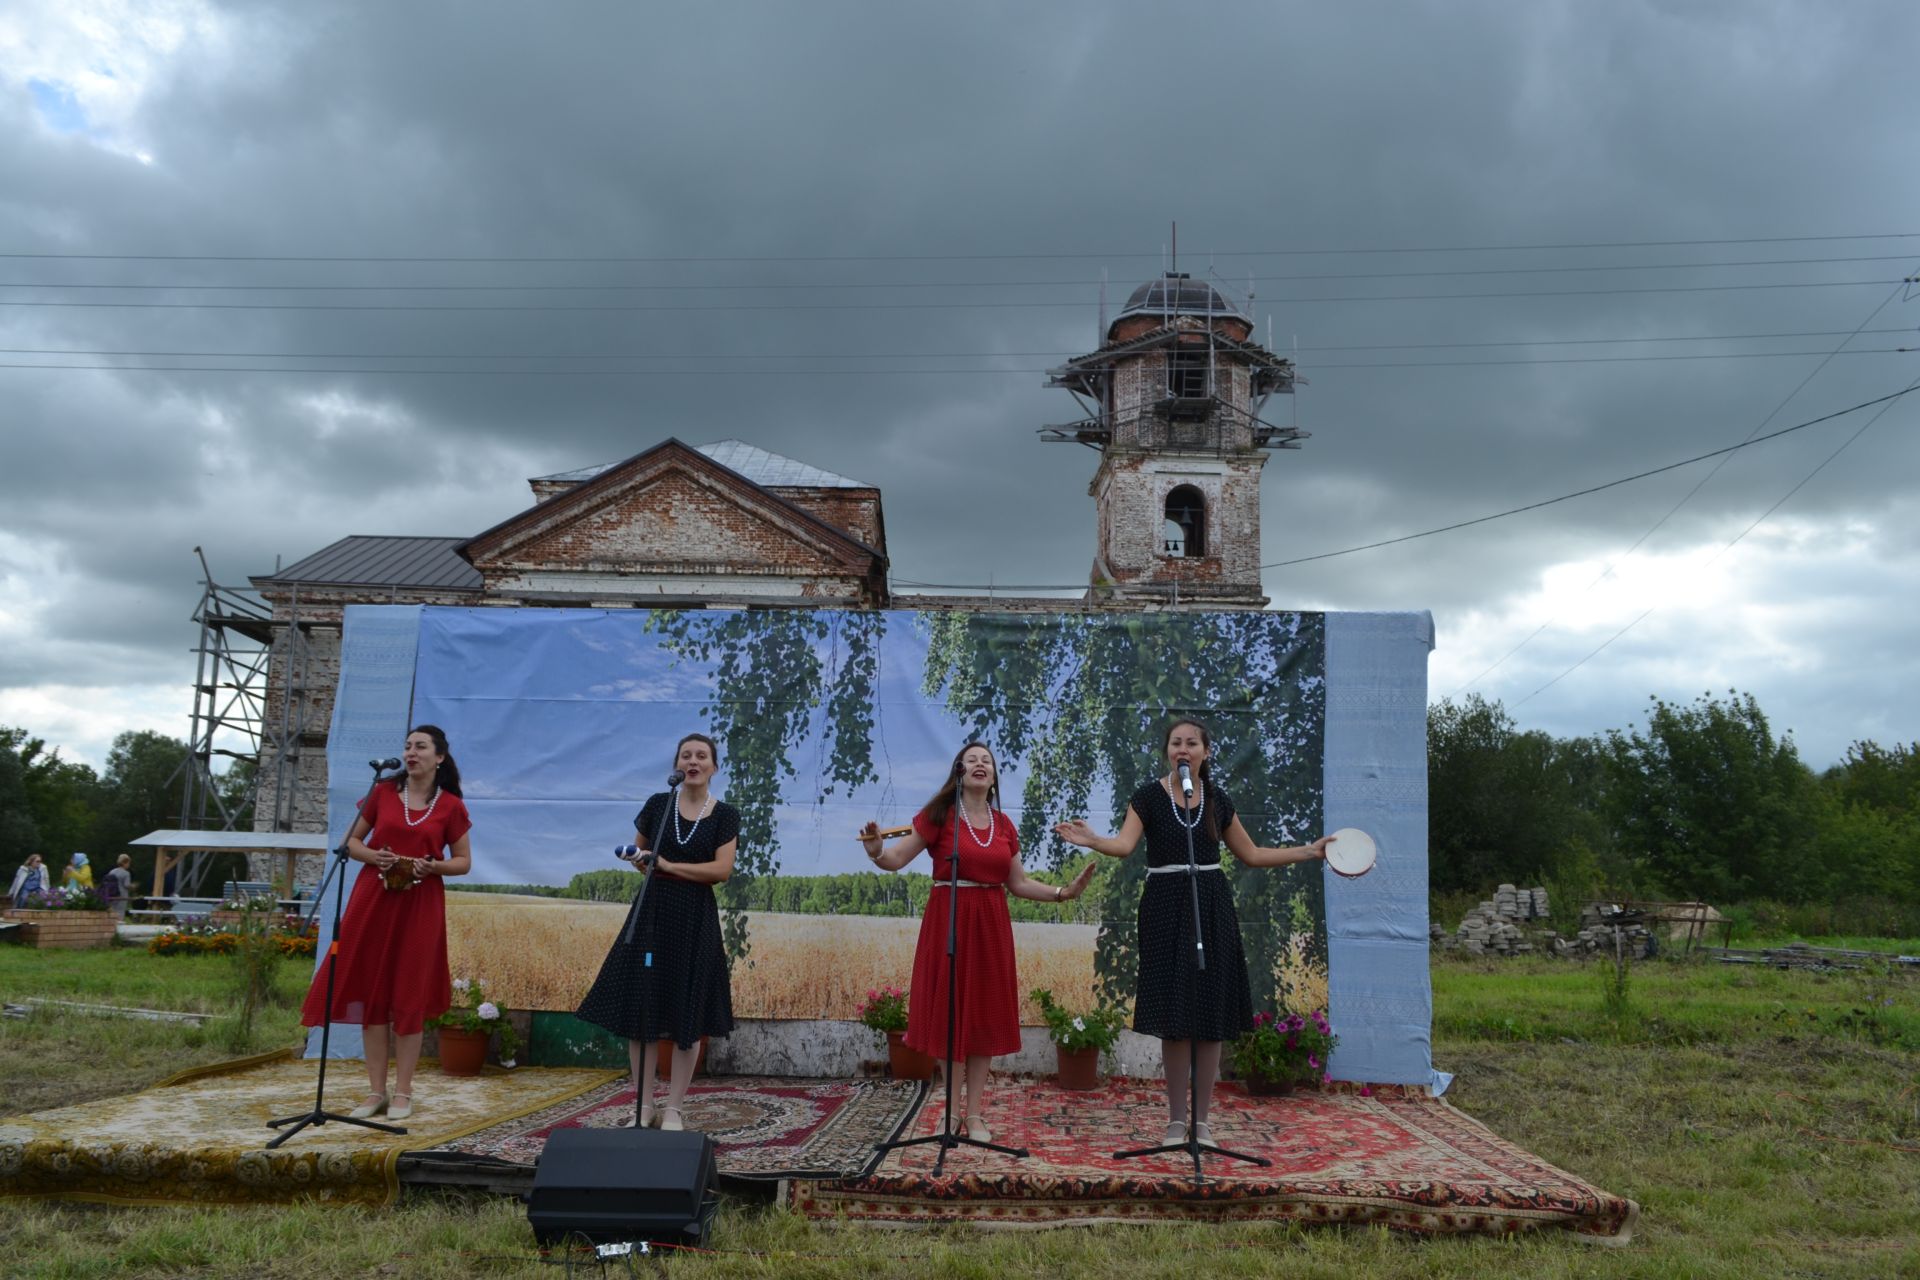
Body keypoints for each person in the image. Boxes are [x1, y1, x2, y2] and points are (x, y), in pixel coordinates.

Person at [1054, 718, 1332, 1145]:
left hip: (1211, 905)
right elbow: (1125, 846)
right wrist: (1094, 840)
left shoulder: (1217, 800)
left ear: (1205, 751)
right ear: (1167, 751)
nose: (1182, 749)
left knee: (1209, 1015)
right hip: (1165, 905)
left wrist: (1308, 851)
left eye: (1191, 743)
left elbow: (1253, 855)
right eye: (1175, 743)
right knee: (1176, 1016)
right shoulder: (1148, 796)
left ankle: (1202, 1125)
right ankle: (1175, 1122)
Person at [860, 742, 1095, 1144]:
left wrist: (1063, 892)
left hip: (990, 925)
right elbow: (896, 859)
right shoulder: (939, 816)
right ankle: (949, 1112)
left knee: (981, 1018)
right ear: (959, 772)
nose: (980, 764)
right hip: (948, 921)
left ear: (994, 775)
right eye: (972, 760)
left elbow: (1017, 883)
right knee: (950, 1016)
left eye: (987, 760)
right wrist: (877, 850)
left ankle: (973, 1115)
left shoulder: (1004, 825)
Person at [298, 724, 472, 1123]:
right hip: (373, 899)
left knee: (407, 997)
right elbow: (352, 842)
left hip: (420, 904)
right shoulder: (381, 793)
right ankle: (376, 1091)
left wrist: (434, 866)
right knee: (372, 996)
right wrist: (373, 856)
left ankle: (404, 1093)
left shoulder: (451, 806)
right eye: (408, 746)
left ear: (439, 757)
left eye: (421, 747)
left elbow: (463, 862)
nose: (411, 752)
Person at [577, 733, 739, 1133]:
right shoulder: (658, 805)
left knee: (689, 1012)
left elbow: (721, 871)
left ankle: (675, 1109)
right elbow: (641, 858)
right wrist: (645, 861)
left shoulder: (725, 815)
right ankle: (645, 1103)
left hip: (694, 917)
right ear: (677, 765)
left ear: (714, 767)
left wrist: (668, 866)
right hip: (652, 913)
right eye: (686, 755)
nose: (693, 761)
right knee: (643, 1007)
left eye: (702, 756)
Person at [103, 853, 135, 919]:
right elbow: (126, 885)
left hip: (112, 894)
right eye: (128, 863)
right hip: (122, 895)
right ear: (124, 863)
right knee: (120, 911)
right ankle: (119, 925)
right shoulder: (126, 873)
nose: (129, 865)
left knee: (112, 910)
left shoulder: (112, 871)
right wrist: (133, 886)